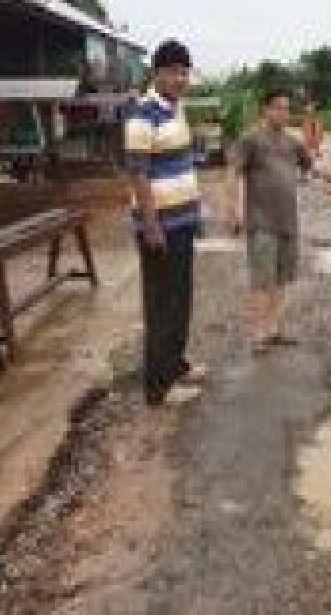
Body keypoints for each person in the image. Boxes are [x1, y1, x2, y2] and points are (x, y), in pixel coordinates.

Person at [227, 88, 331, 350]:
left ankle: (274, 330)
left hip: (287, 221)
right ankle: (258, 334)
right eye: (277, 108)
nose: (283, 114)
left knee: (282, 278)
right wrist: (232, 210)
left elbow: (314, 168)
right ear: (265, 110)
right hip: (261, 221)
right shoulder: (251, 139)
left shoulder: (291, 143)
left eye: (287, 109)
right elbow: (233, 172)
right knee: (262, 280)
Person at [124, 39, 208, 406]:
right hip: (160, 229)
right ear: (157, 73)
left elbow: (183, 165)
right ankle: (157, 387)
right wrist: (151, 225)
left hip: (183, 222)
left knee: (181, 299)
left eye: (184, 72)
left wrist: (195, 213)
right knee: (161, 305)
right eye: (173, 72)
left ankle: (175, 365)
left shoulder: (177, 109)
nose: (179, 78)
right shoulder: (144, 113)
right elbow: (138, 174)